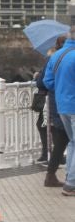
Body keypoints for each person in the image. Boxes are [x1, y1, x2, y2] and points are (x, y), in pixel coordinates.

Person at [41, 27, 75, 197]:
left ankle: (70, 180)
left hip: (62, 106)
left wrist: (63, 91)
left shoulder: (57, 55)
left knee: (72, 143)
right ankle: (70, 184)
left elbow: (47, 82)